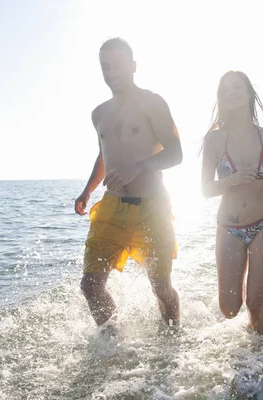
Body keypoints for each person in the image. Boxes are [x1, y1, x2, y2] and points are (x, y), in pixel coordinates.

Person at [74, 38, 182, 329]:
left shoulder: (152, 102)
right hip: (112, 208)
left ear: (133, 66)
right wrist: (88, 190)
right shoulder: (99, 114)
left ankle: (172, 338)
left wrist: (138, 167)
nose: (112, 72)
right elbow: (104, 155)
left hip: (153, 208)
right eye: (105, 67)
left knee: (161, 287)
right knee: (90, 285)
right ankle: (112, 342)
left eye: (118, 65)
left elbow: (176, 153)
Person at [201, 71, 263, 334]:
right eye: (225, 89)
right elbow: (206, 189)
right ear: (221, 98)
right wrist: (232, 180)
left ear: (249, 92)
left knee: (255, 304)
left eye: (237, 87)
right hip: (228, 227)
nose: (231, 92)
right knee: (229, 309)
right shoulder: (215, 139)